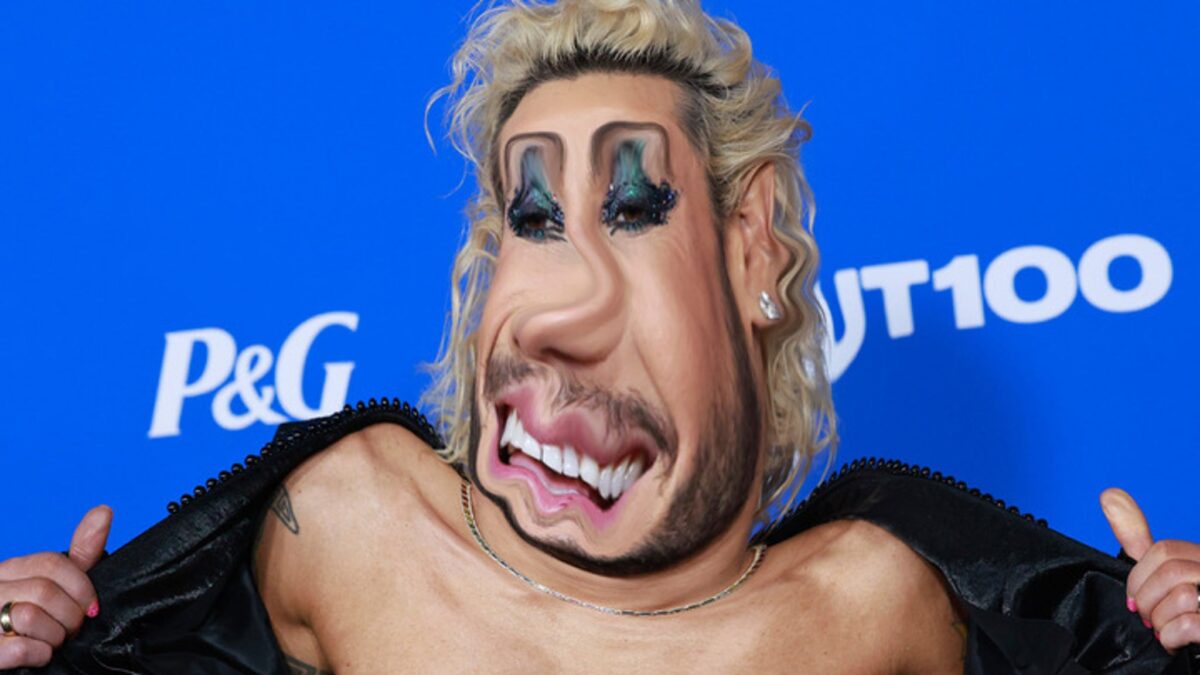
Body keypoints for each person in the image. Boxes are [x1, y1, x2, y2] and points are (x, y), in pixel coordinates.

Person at [2, 1, 1198, 672]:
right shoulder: (352, 524)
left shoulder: (881, 601)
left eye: (633, 211)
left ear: (752, 250)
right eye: (531, 221)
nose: (560, 317)